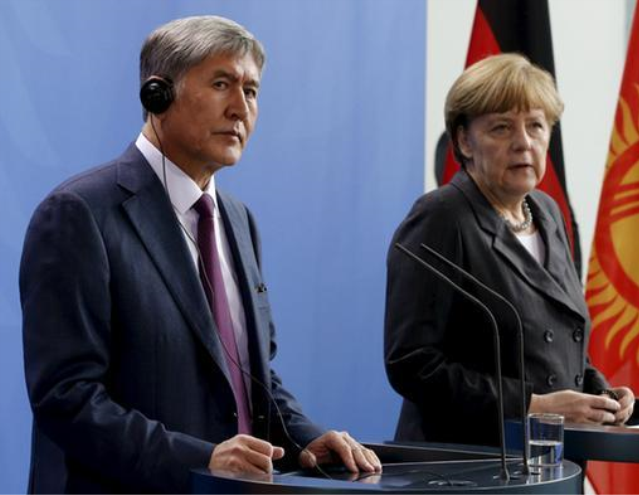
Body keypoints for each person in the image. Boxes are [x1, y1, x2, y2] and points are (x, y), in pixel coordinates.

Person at [20, 16, 380, 495]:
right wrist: (201, 460)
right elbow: (67, 399)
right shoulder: (79, 214)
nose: (240, 108)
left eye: (251, 91)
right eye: (221, 84)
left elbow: (251, 375)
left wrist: (307, 439)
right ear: (158, 96)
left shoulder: (237, 218)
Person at [384, 53, 635, 447]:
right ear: (464, 141)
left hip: (550, 460)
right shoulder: (441, 218)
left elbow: (554, 343)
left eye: (536, 126)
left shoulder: (548, 213)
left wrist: (599, 393)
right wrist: (532, 405)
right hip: (466, 464)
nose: (523, 142)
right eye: (502, 128)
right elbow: (412, 363)